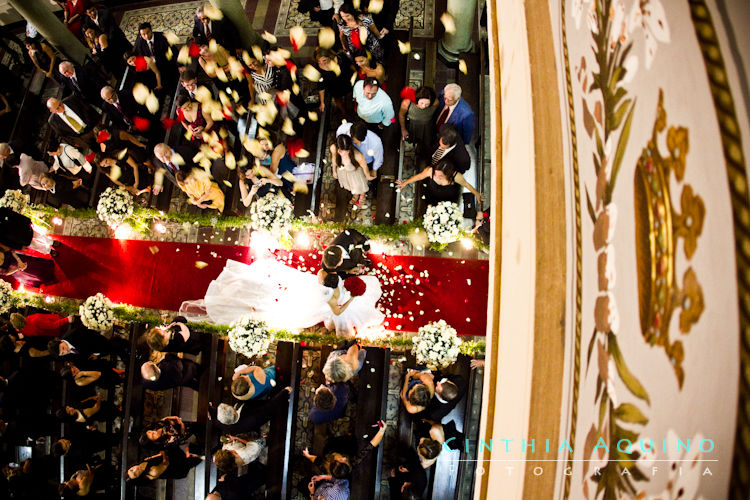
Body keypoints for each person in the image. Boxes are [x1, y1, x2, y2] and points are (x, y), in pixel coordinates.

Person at [179, 258, 334, 329]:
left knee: (259, 292)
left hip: (256, 297)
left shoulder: (224, 306)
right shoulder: (224, 304)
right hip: (257, 300)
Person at [300, 420, 388, 498]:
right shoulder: (353, 462)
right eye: (344, 460)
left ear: (332, 461)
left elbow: (316, 460)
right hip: (348, 448)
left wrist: (308, 455)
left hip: (334, 449)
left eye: (341, 459)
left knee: (328, 445)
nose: (344, 458)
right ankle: (350, 437)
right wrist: (382, 431)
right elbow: (370, 446)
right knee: (349, 443)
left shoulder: (325, 465)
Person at [396, 159, 483, 210]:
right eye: (436, 174)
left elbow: (466, 185)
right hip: (433, 195)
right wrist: (405, 182)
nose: (437, 177)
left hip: (449, 198)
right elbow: (419, 177)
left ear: (448, 174)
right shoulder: (430, 171)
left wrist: (477, 194)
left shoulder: (455, 176)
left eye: (440, 175)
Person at [210, 387, 292, 434]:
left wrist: (210, 410)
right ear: (232, 410)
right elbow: (269, 407)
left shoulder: (228, 427)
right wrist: (285, 392)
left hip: (260, 411)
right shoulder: (251, 417)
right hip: (267, 410)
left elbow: (215, 420)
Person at [336, 120, 383, 194]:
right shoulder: (343, 130)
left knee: (364, 179)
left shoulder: (375, 142)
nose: (358, 145)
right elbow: (340, 142)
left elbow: (378, 158)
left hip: (367, 161)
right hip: (350, 160)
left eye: (361, 142)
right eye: (355, 142)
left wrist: (374, 170)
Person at [330, 133, 375, 205]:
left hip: (355, 173)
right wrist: (334, 171)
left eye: (346, 150)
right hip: (343, 172)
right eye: (341, 150)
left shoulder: (357, 155)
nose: (343, 153)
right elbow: (334, 158)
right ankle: (356, 194)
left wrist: (368, 175)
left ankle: (362, 194)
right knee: (350, 185)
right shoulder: (333, 147)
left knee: (359, 184)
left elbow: (364, 166)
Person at [399, 86, 439, 160]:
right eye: (422, 103)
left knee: (426, 142)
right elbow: (401, 115)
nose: (423, 106)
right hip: (412, 125)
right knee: (413, 138)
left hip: (427, 126)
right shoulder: (407, 103)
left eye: (427, 104)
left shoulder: (435, 103)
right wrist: (403, 129)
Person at [134, 22, 177, 90]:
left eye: (147, 32)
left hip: (166, 63)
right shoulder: (140, 42)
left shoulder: (162, 37)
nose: (146, 36)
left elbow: (174, 51)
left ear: (151, 30)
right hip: (152, 67)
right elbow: (141, 55)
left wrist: (180, 65)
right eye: (143, 34)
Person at [313, 46, 354, 116]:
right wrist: (322, 102)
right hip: (333, 87)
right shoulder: (318, 68)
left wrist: (356, 75)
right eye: (319, 61)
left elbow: (351, 66)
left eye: (324, 60)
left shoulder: (341, 58)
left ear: (330, 57)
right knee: (338, 99)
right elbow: (321, 85)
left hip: (346, 82)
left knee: (350, 96)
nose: (322, 63)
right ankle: (343, 112)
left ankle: (352, 110)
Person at [127, 448, 202, 483]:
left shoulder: (140, 464)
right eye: (135, 474)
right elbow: (166, 463)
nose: (135, 470)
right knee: (197, 454)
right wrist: (163, 453)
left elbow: (155, 456)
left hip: (173, 458)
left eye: (131, 469)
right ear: (138, 477)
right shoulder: (152, 472)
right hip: (177, 467)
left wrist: (162, 452)